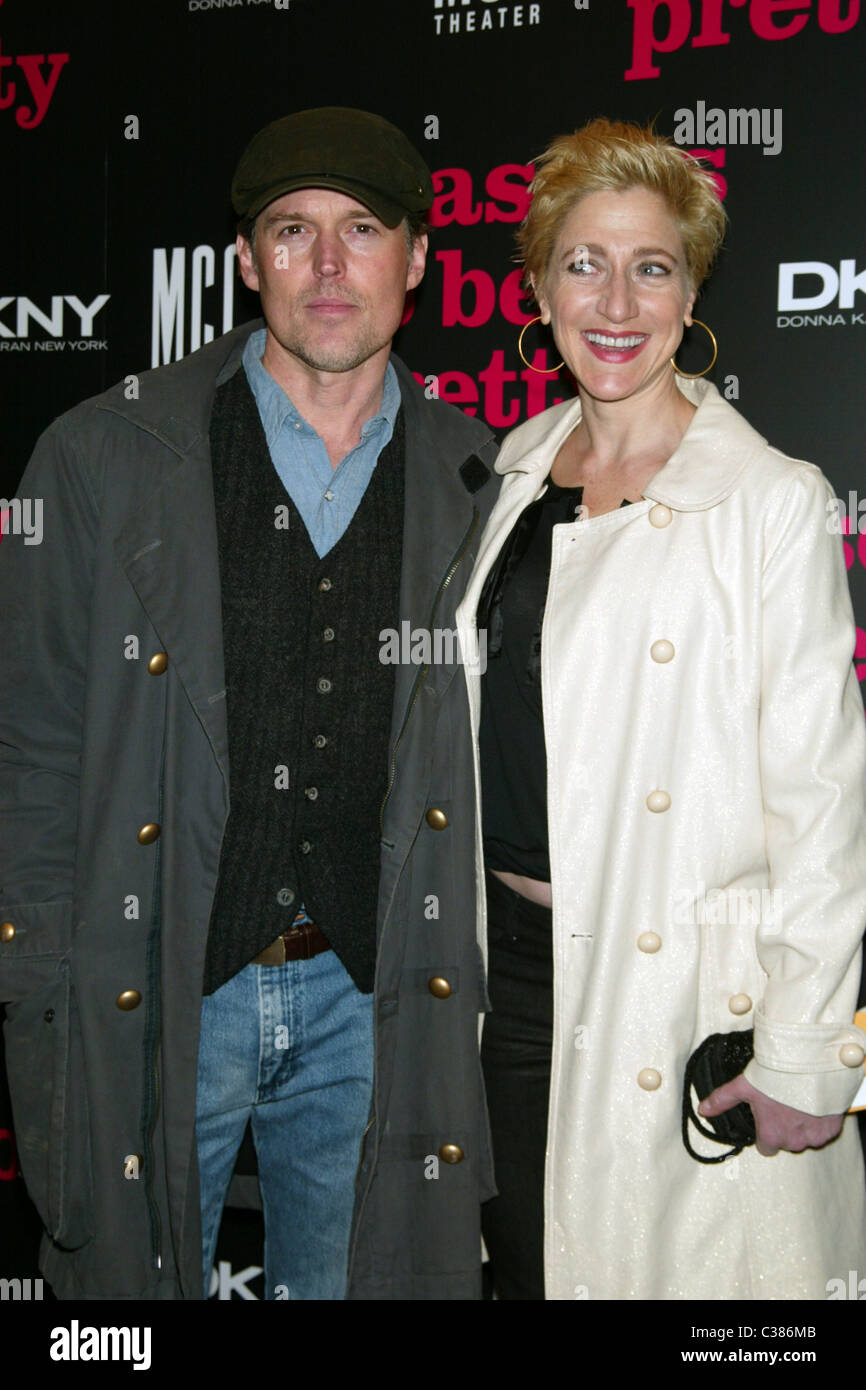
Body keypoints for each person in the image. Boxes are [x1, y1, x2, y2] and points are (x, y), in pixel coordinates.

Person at [0, 106, 499, 1301]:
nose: (329, 267)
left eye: (362, 230)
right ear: (244, 259)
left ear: (419, 260)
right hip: (165, 973)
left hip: (372, 996)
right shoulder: (99, 457)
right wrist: (44, 974)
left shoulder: (485, 476)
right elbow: (33, 749)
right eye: (291, 232)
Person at [455, 117, 866, 1300]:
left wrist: (804, 1049)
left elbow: (822, 800)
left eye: (653, 267)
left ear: (690, 298)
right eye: (584, 262)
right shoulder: (510, 474)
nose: (616, 299)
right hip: (513, 988)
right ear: (536, 288)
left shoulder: (767, 501)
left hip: (676, 994)